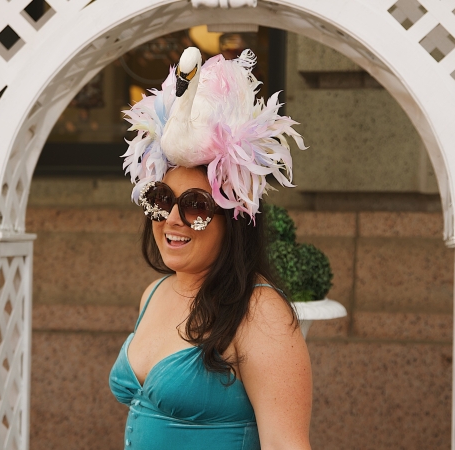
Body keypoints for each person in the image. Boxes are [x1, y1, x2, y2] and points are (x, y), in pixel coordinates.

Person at [109, 46, 312, 450]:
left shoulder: (261, 313)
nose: (172, 219)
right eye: (161, 199)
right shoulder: (154, 294)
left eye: (197, 207)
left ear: (233, 221)